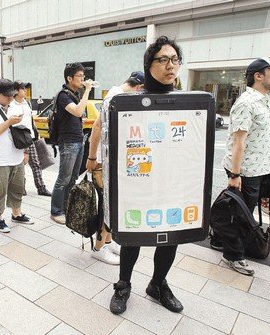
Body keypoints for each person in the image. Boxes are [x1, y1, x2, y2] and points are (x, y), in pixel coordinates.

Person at [110, 36, 184, 315]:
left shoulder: (186, 103)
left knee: (170, 235)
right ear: (149, 63)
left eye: (175, 60)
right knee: (133, 234)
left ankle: (157, 283)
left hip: (173, 183)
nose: (170, 66)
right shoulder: (129, 102)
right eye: (163, 59)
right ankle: (123, 284)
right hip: (138, 181)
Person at [219, 58, 270, 275]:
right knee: (240, 215)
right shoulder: (247, 103)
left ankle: (228, 243)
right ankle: (233, 256)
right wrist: (235, 174)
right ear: (258, 76)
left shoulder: (262, 101)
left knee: (244, 213)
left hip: (260, 169)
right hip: (246, 172)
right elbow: (239, 141)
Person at [86, 71, 145, 265]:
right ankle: (98, 248)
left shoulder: (116, 94)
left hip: (110, 161)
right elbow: (96, 127)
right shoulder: (115, 98)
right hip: (104, 162)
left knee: (111, 204)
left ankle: (109, 241)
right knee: (107, 205)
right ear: (139, 88)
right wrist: (92, 157)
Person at [0, 78, 33, 233]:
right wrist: (8, 122)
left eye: (12, 94)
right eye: (7, 95)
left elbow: (21, 131)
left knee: (17, 188)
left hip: (16, 157)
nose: (10, 98)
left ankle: (16, 214)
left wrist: (25, 151)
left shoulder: (14, 107)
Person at [50, 63, 93, 224]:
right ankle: (56, 211)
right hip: (68, 141)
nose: (83, 79)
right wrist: (88, 90)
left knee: (73, 177)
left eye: (83, 76)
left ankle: (66, 207)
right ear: (69, 78)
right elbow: (77, 111)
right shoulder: (63, 95)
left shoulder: (74, 94)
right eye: (79, 76)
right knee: (64, 178)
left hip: (78, 139)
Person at [10, 81, 51, 196]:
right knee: (20, 164)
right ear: (16, 91)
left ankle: (41, 187)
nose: (25, 90)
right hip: (18, 138)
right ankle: (21, 187)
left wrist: (36, 132)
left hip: (30, 138)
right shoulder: (11, 105)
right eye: (23, 88)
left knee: (36, 163)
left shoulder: (27, 103)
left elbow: (30, 120)